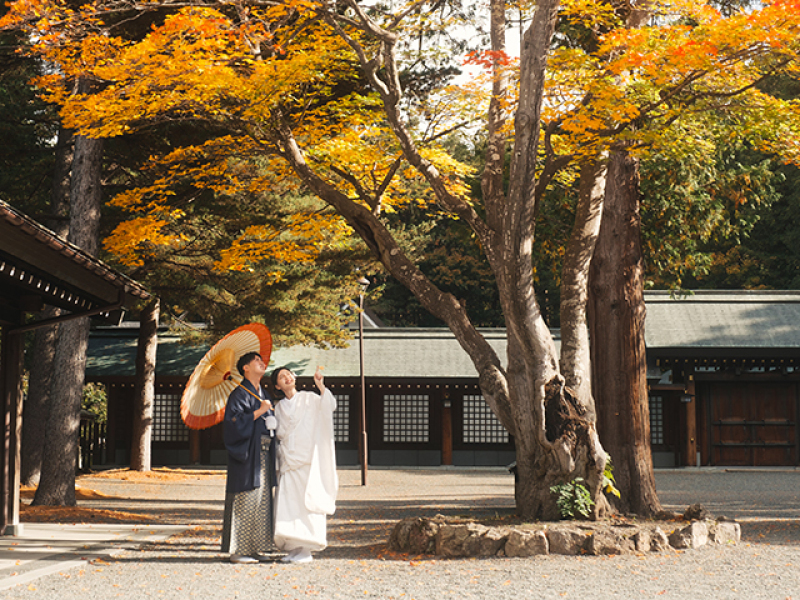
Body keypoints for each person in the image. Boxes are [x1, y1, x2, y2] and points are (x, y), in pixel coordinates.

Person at [271, 365, 338, 563]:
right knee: (289, 505)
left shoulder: (310, 398)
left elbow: (329, 406)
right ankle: (293, 547)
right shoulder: (278, 407)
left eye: (288, 374)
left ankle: (306, 549)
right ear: (277, 385)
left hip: (307, 459)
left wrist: (321, 386)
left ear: (294, 377)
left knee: (306, 502)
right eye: (282, 377)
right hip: (288, 460)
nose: (287, 378)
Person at [221, 351, 278, 564]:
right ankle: (238, 550)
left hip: (263, 453)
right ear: (245, 368)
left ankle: (257, 547)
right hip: (246, 455)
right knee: (245, 499)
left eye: (262, 361)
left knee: (262, 500)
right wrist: (258, 412)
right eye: (256, 361)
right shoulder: (239, 394)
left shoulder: (263, 393)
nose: (262, 363)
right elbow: (232, 424)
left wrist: (269, 418)